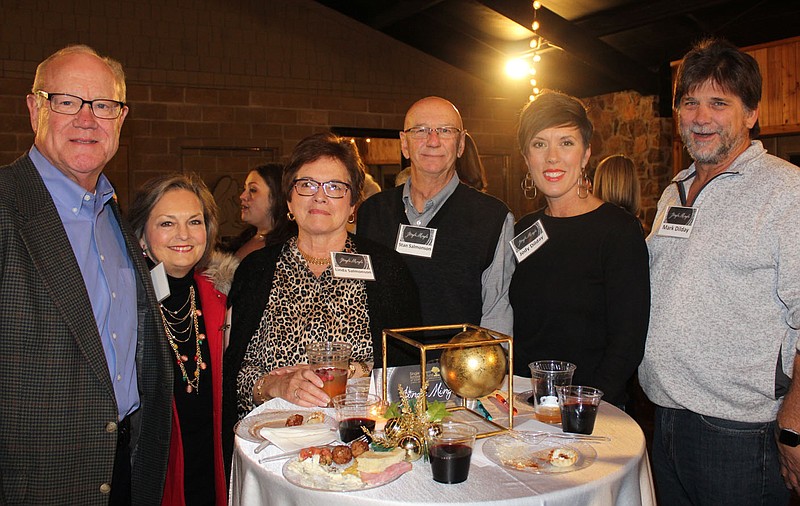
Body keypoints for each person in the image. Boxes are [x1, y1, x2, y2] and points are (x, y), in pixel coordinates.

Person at [0, 45, 171, 504]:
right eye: (67, 101)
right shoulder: (6, 206)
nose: (87, 119)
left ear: (121, 118)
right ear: (35, 107)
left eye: (103, 106)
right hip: (35, 479)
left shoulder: (112, 216)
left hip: (125, 467)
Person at [638, 38, 800, 505]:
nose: (700, 117)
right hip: (664, 416)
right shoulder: (675, 189)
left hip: (738, 433)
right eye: (690, 102)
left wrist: (793, 423)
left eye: (718, 103)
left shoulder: (785, 192)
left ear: (750, 113)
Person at [222, 132, 420, 467]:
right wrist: (272, 385)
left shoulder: (387, 271)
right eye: (307, 185)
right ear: (288, 199)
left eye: (334, 187)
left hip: (365, 450)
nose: (320, 197)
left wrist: (359, 374)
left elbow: (409, 375)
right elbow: (233, 376)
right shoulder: (254, 272)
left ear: (353, 202)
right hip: (272, 451)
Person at [509, 90, 650, 407]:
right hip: (523, 404)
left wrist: (582, 404)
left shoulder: (618, 231)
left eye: (566, 143)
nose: (552, 157)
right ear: (526, 157)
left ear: (586, 154)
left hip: (590, 409)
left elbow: (627, 341)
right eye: (539, 144)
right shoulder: (523, 230)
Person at [357, 96, 514, 341]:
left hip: (458, 374)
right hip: (384, 373)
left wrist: (486, 374)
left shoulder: (493, 218)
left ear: (461, 144)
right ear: (404, 143)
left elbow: (497, 314)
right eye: (420, 131)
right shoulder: (372, 212)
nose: (433, 141)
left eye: (445, 131)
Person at [129, 174, 235, 506]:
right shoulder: (126, 305)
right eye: (166, 223)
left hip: (210, 471)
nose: (184, 235)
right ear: (143, 237)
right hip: (151, 479)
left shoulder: (219, 300)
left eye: (194, 221)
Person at [227, 163, 295, 260]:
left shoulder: (289, 250)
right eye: (244, 189)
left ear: (276, 197)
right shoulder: (244, 239)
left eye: (253, 190)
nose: (242, 196)